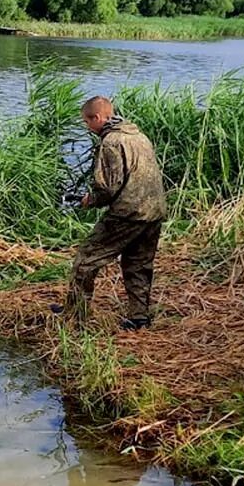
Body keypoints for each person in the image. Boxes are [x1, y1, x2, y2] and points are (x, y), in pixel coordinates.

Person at [64, 96, 167, 330]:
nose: (86, 127)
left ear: (98, 118)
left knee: (86, 260)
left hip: (127, 213)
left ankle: (75, 313)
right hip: (154, 211)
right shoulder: (138, 136)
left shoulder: (111, 142)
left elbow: (108, 187)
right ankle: (139, 317)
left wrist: (89, 201)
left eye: (86, 121)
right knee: (138, 264)